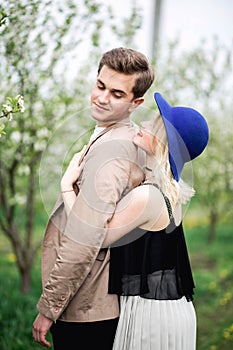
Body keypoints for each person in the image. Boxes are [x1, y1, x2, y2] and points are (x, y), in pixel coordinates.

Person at [49, 91, 209, 350]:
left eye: (154, 124)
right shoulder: (167, 191)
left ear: (163, 142)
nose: (144, 124)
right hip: (168, 311)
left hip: (152, 317)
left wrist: (67, 186)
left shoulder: (147, 196)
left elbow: (93, 235)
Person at [32, 47, 154, 349]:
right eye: (100, 86)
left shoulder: (113, 151)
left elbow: (85, 236)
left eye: (116, 93)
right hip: (93, 302)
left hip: (86, 306)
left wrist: (50, 307)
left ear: (135, 103)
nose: (101, 98)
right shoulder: (118, 136)